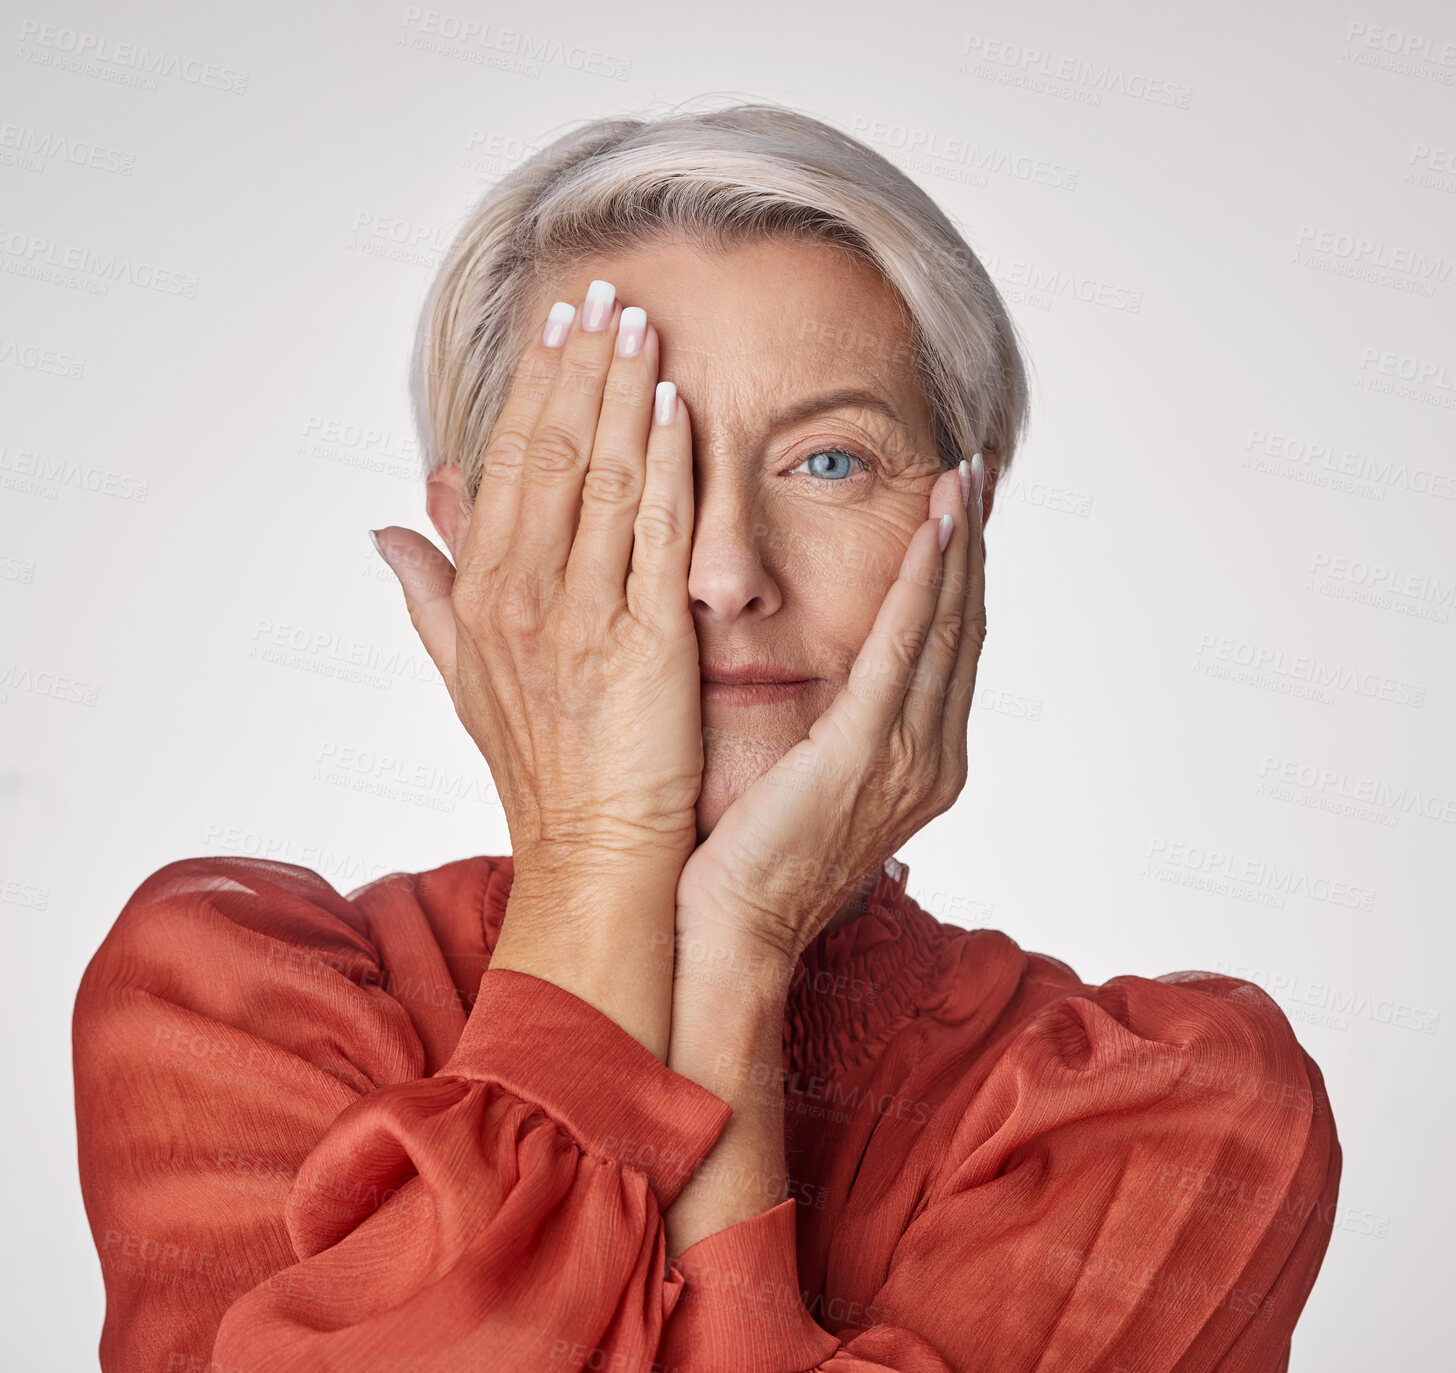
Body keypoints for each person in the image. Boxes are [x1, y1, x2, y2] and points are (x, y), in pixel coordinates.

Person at [73, 101, 1340, 1372]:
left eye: (831, 462)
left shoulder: (1169, 1108)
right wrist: (598, 858)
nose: (724, 570)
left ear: (964, 526)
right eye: (627, 467)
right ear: (475, 543)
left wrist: (736, 957)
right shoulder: (231, 1001)